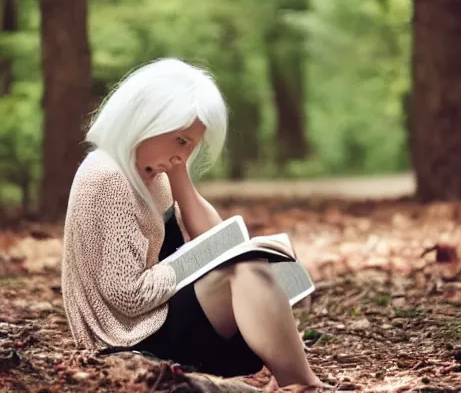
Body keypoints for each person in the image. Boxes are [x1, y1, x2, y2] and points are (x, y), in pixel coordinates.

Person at [61, 58, 325, 389]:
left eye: (191, 146)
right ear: (149, 121)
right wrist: (197, 260)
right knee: (243, 268)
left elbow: (216, 238)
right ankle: (305, 384)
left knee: (251, 264)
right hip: (126, 337)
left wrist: (177, 171)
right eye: (181, 141)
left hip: (152, 322)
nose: (183, 154)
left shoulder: (149, 174)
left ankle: (292, 376)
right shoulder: (109, 176)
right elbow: (126, 296)